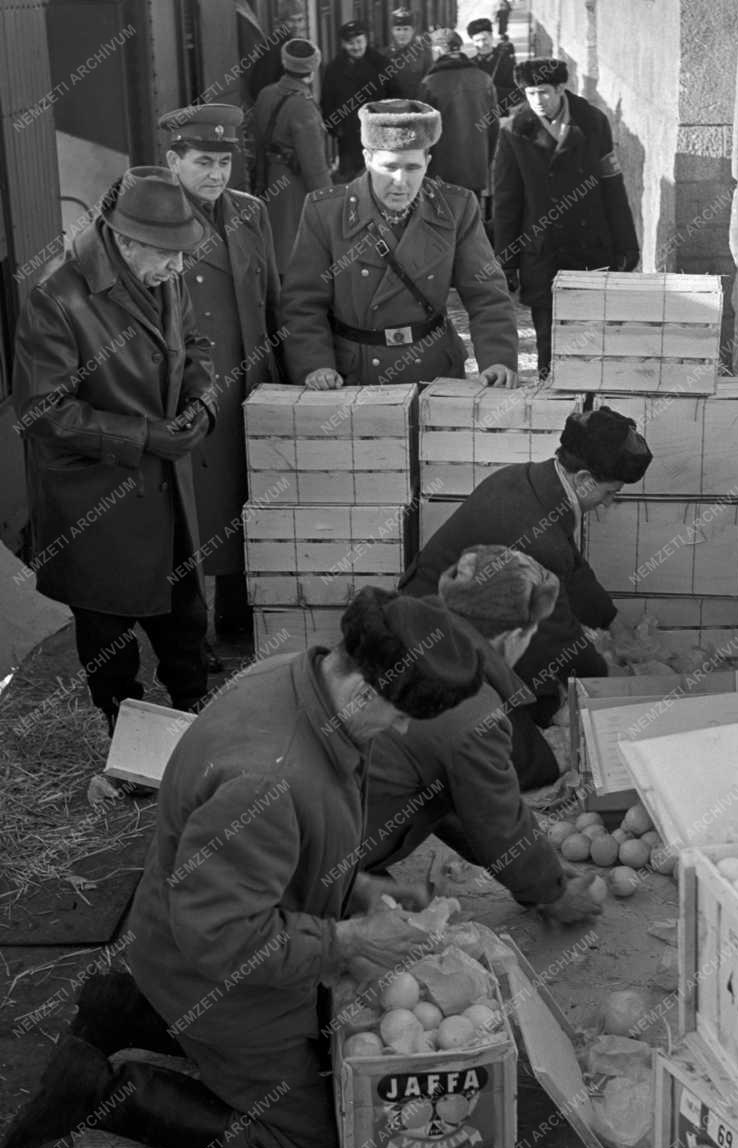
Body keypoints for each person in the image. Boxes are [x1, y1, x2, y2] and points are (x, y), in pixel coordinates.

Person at [0, 589, 486, 1148]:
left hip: (185, 930)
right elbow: (225, 939)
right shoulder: (268, 779)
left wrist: (352, 885)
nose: (404, 729)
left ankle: (124, 1009)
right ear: (362, 690)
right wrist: (350, 941)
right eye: (401, 713)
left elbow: (278, 850)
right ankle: (100, 1090)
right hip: (211, 969)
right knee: (308, 1136)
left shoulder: (296, 675)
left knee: (321, 1045)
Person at [12, 167, 215, 736]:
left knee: (185, 616)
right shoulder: (55, 296)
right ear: (125, 241)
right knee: (108, 628)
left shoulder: (161, 273)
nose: (179, 268)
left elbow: (195, 346)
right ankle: (124, 733)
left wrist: (203, 402)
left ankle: (192, 712)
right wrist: (145, 436)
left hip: (165, 485)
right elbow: (42, 410)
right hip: (94, 497)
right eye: (167, 255)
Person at [400, 406, 652, 731]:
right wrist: (611, 681)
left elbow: (571, 569)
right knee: (528, 720)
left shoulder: (532, 480)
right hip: (430, 635)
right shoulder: (538, 535)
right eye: (609, 493)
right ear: (585, 479)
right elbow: (557, 634)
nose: (607, 504)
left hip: (446, 606)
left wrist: (613, 623)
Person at [365, 547, 612, 875]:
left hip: (324, 826)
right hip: (318, 860)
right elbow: (494, 817)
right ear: (513, 637)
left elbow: (448, 795)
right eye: (532, 633)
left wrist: (522, 862)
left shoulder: (399, 638)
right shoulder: (470, 704)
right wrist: (553, 891)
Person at [281, 99, 518, 389]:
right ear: (368, 159)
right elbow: (302, 303)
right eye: (389, 167)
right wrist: (315, 365)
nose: (400, 181)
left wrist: (497, 360)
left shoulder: (456, 208)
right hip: (354, 378)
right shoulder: (326, 212)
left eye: (412, 167)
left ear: (427, 163)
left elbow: (487, 294)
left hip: (433, 372)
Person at [160, 103, 281, 642]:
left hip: (251, 382)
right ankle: (194, 637)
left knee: (247, 500)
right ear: (173, 160)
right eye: (203, 162)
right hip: (193, 389)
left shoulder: (251, 212)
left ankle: (240, 623)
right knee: (197, 515)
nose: (216, 175)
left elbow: (272, 299)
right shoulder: (154, 218)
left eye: (224, 163)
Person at [492, 58, 640, 379]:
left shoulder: (593, 122)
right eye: (530, 93)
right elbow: (506, 202)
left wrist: (626, 244)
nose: (537, 101)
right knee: (548, 339)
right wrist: (506, 261)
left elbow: (611, 184)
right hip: (543, 253)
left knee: (591, 338)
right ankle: (552, 406)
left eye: (543, 92)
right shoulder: (514, 132)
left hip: (591, 248)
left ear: (561, 88)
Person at [251, 38, 332, 268]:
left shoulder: (266, 94)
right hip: (294, 189)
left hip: (268, 179)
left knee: (274, 245)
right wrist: (329, 205)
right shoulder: (303, 107)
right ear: (312, 69)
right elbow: (315, 167)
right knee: (294, 253)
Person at [418, 30, 498, 202]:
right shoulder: (484, 79)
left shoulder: (430, 83)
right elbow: (493, 129)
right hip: (475, 168)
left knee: (443, 220)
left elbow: (422, 134)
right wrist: (485, 160)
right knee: (471, 218)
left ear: (438, 50)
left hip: (441, 172)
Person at [320, 20, 394, 182]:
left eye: (359, 41)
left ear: (366, 40)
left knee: (380, 180)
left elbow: (395, 97)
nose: (356, 47)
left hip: (379, 136)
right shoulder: (334, 69)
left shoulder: (381, 64)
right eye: (350, 43)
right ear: (343, 44)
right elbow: (327, 101)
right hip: (348, 140)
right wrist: (336, 128)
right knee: (351, 184)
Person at [467, 17, 520, 118]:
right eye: (477, 40)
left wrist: (492, 91)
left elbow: (517, 94)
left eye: (484, 39)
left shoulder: (507, 62)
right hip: (474, 119)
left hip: (501, 118)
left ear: (491, 37)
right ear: (473, 42)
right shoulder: (469, 64)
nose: (481, 44)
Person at [383, 7, 434, 100]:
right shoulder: (385, 54)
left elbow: (430, 82)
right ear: (392, 31)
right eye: (398, 29)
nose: (402, 33)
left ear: (413, 30)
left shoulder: (424, 53)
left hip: (417, 106)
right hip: (392, 108)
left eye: (406, 29)